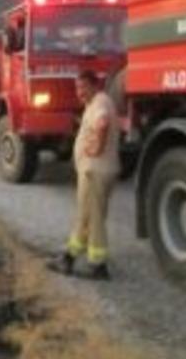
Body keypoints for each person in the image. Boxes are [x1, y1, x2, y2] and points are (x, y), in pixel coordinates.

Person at [50, 70, 121, 280]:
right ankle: (69, 257)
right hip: (95, 170)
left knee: (94, 218)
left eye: (83, 87)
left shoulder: (100, 102)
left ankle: (98, 266)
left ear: (94, 85)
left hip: (95, 171)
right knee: (87, 217)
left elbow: (103, 122)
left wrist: (97, 148)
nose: (79, 92)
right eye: (77, 88)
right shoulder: (95, 102)